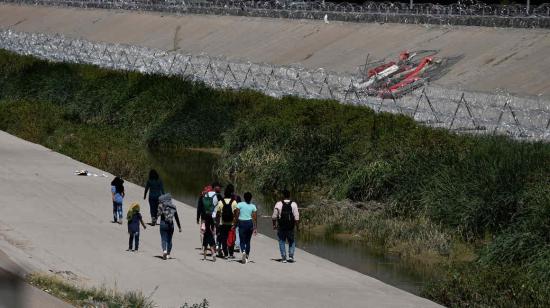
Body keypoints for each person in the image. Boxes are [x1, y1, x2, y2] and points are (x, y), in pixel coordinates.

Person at [272, 190, 299, 263]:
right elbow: (296, 217)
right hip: (290, 226)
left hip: (281, 226)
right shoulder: (294, 204)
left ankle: (283, 257)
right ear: (289, 195)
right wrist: (297, 227)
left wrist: (274, 225)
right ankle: (291, 256)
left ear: (283, 196)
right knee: (291, 241)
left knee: (281, 241)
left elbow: (274, 216)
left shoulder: (278, 204)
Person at [213, 186, 238, 259]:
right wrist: (235, 224)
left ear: (224, 194)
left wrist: (217, 224)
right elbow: (236, 214)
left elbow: (218, 214)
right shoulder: (234, 202)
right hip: (231, 224)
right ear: (230, 194)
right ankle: (231, 254)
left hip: (222, 224)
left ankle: (226, 254)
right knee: (232, 239)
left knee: (224, 239)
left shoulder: (221, 202)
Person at [234, 192, 257, 264]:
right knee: (248, 241)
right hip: (249, 223)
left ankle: (243, 251)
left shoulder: (240, 204)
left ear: (244, 197)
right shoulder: (253, 206)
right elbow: (255, 218)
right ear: (251, 198)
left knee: (242, 240)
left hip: (242, 223)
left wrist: (235, 223)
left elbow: (237, 215)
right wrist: (255, 227)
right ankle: (247, 257)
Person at [158, 193, 182, 260]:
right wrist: (179, 227)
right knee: (169, 239)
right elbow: (176, 218)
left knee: (163, 239)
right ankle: (168, 254)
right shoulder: (173, 207)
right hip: (171, 225)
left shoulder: (161, 205)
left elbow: (157, 214)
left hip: (163, 224)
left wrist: (154, 220)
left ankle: (164, 251)